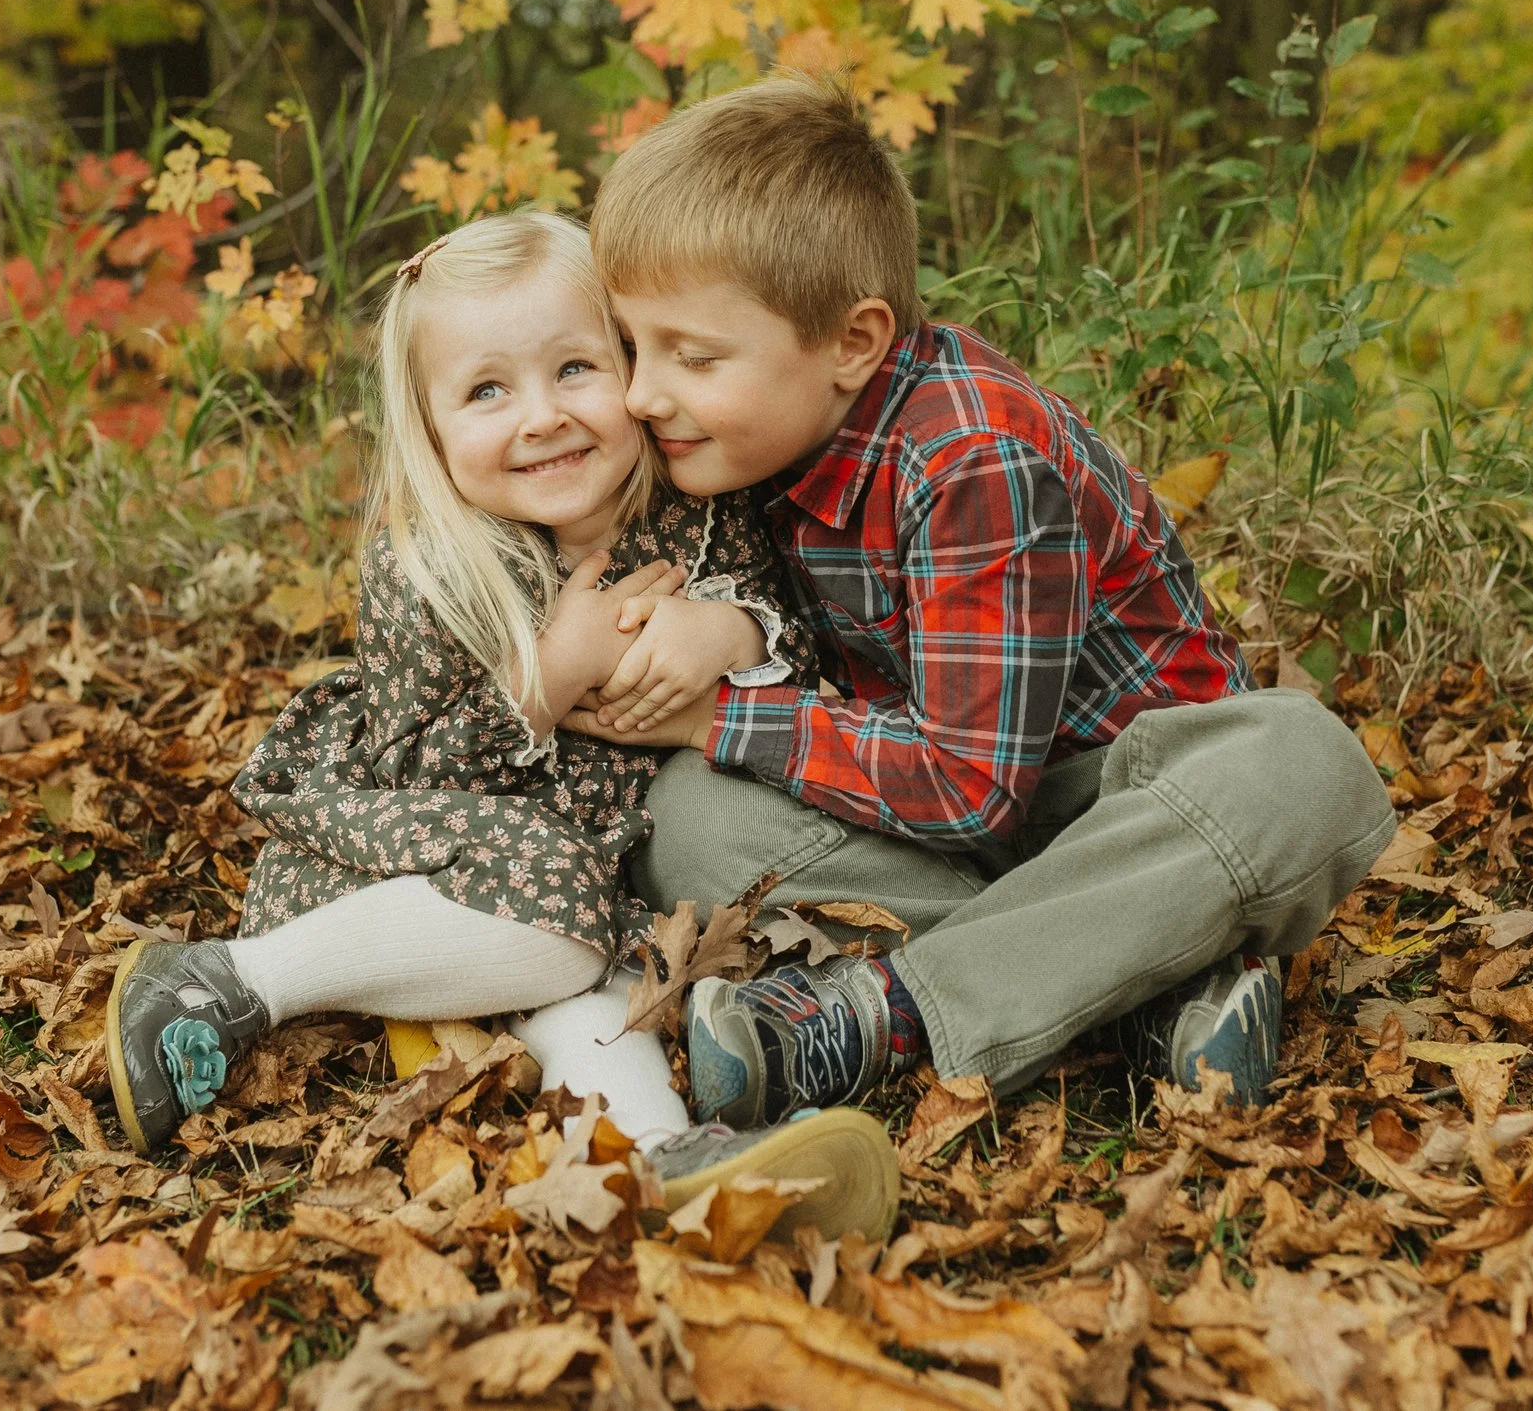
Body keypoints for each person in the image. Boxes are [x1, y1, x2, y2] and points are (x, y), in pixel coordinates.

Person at [564, 75, 1396, 1130]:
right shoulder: (751, 442)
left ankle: (877, 1018)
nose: (642, 392)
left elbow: (966, 786)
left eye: (692, 354)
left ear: (851, 344)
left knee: (1302, 764)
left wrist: (716, 710)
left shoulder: (969, 459)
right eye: (634, 346)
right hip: (959, 828)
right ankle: (1146, 971)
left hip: (1129, 799)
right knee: (682, 812)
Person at [102, 210, 899, 1242]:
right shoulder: (430, 563)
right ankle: (231, 981)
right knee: (563, 922)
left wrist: (730, 629)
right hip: (408, 872)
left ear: (629, 364)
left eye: (575, 368)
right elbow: (406, 767)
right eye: (487, 390)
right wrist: (546, 678)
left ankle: (657, 1166)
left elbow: (792, 627)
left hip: (586, 881)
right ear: (431, 428)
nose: (543, 417)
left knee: (598, 986)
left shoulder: (694, 510)